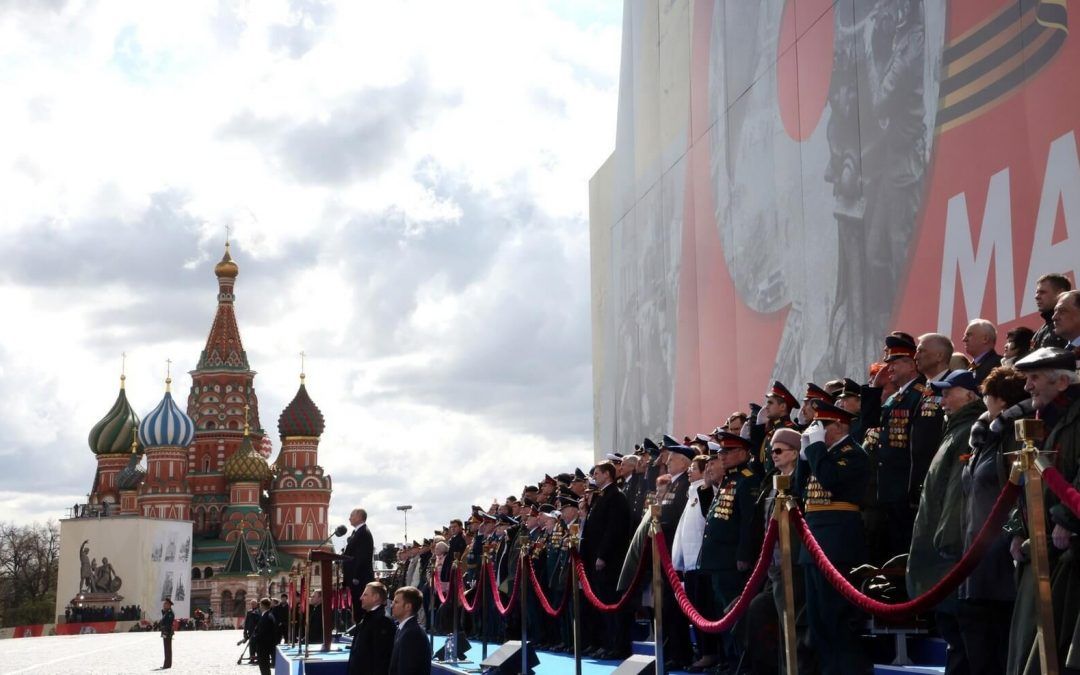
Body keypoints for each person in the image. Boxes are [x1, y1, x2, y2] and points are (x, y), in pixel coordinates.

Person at [907, 370, 986, 675]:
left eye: (948, 393)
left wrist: (948, 545)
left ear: (969, 395)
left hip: (951, 559)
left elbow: (956, 495)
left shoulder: (967, 431)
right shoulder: (955, 429)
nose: (941, 401)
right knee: (954, 639)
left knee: (963, 642)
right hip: (944, 556)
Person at [1008, 348, 1080, 673]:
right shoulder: (1040, 421)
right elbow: (1024, 482)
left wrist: (1065, 519)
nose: (1027, 387)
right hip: (1038, 548)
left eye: (1034, 378)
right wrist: (1017, 528)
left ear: (1062, 382)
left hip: (1068, 552)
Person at [959, 366, 1031, 675]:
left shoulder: (1013, 437)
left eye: (987, 395)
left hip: (1002, 559)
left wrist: (1015, 533)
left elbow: (1022, 493)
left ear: (1000, 400)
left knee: (998, 649)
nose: (983, 401)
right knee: (978, 649)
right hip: (975, 557)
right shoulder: (984, 439)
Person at [795, 401, 871, 675]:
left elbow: (829, 479)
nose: (818, 432)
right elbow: (799, 491)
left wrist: (815, 450)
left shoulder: (853, 453)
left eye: (823, 426)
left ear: (839, 426)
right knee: (817, 620)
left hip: (838, 541)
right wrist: (804, 458)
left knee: (836, 616)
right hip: (815, 542)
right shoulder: (821, 455)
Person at [582, 460, 633, 660]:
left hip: (610, 561)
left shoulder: (616, 496)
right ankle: (607, 643)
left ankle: (618, 646)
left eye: (597, 473)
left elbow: (614, 530)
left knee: (612, 604)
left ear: (607, 474)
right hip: (596, 559)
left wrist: (602, 555)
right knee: (602, 604)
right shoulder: (601, 496)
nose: (594, 476)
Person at [348, 581, 395, 675]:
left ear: (376, 597)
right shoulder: (367, 618)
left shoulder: (383, 621)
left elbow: (381, 658)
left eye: (365, 595)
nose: (361, 598)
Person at [389, 586, 431, 675]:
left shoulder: (412, 634)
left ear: (408, 606)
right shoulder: (403, 629)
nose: (391, 605)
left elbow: (407, 670)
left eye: (396, 602)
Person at [345, 508, 375, 621]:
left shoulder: (363, 533)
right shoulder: (357, 532)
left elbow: (362, 557)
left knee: (361, 608)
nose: (349, 518)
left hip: (359, 579)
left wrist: (355, 577)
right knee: (357, 609)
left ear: (359, 516)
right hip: (354, 579)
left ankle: (362, 634)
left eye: (352, 515)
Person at [1031, 272, 1071, 349]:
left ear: (1060, 293)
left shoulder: (1071, 325)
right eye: (1037, 292)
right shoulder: (1040, 331)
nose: (1036, 297)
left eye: (1042, 292)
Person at [254, 597, 280, 675]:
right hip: (265, 645)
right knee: (264, 667)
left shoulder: (267, 616)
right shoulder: (268, 615)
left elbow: (264, 632)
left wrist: (256, 638)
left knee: (264, 666)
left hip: (264, 646)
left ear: (262, 605)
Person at [160, 598, 175, 670]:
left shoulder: (170, 613)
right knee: (166, 648)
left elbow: (169, 624)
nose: (164, 605)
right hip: (165, 631)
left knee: (168, 648)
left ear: (169, 605)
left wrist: (165, 631)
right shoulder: (166, 612)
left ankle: (168, 664)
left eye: (165, 604)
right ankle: (166, 664)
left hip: (167, 632)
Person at [244, 599, 260, 663]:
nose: (252, 605)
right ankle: (252, 658)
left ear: (256, 604)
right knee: (251, 646)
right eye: (252, 604)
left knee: (257, 646)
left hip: (257, 632)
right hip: (250, 631)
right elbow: (246, 623)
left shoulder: (259, 611)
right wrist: (245, 632)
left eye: (254, 604)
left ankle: (259, 658)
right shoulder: (249, 612)